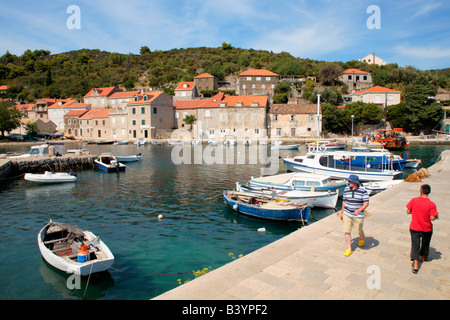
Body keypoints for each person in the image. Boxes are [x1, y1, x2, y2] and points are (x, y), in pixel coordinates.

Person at [406, 184, 438, 274]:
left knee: (415, 244)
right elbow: (432, 218)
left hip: (415, 227)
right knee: (425, 243)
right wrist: (435, 216)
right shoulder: (432, 204)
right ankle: (423, 257)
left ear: (421, 191)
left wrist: (415, 211)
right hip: (427, 228)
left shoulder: (414, 200)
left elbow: (408, 211)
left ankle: (415, 265)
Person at [341, 174, 369, 257]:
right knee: (347, 231)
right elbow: (344, 201)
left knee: (358, 230)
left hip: (358, 214)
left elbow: (366, 203)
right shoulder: (346, 189)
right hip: (347, 213)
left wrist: (359, 210)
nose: (348, 182)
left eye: (349, 181)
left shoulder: (363, 190)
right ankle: (349, 248)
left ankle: (362, 236)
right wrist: (342, 212)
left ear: (354, 182)